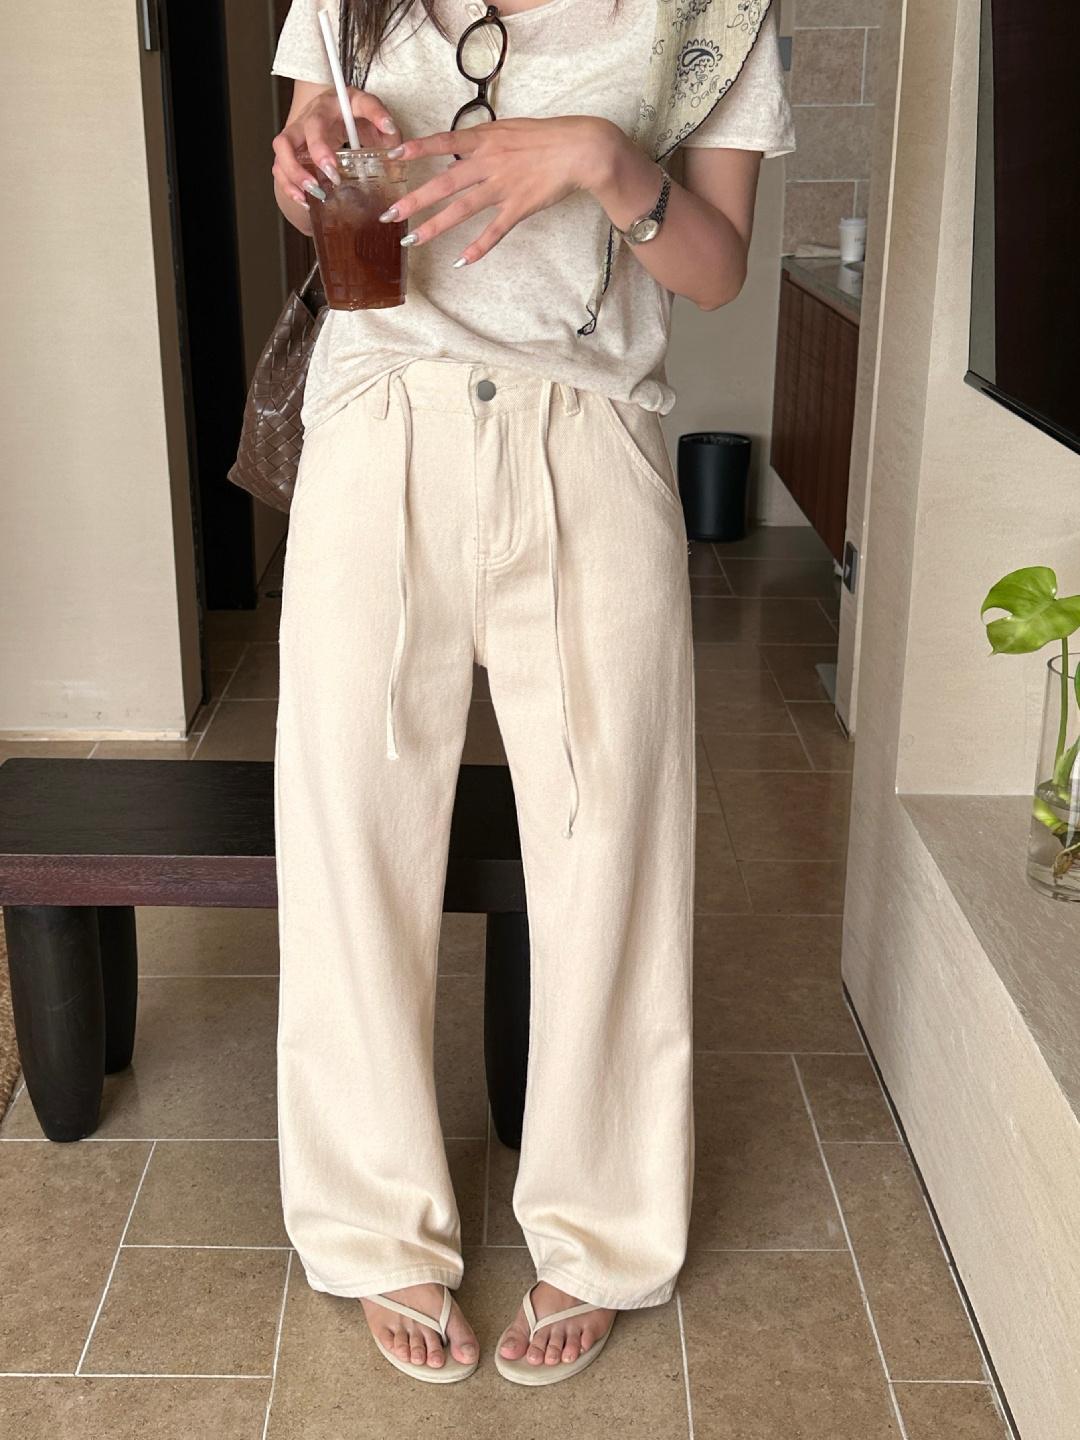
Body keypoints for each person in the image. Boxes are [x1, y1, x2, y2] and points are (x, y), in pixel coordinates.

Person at [269, 0, 795, 1388]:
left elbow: (717, 271)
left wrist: (604, 162)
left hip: (590, 429)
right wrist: (304, 162)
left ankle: (602, 1228)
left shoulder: (714, 16)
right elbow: (310, 160)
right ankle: (372, 1220)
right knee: (348, 835)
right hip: (380, 422)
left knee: (611, 841)